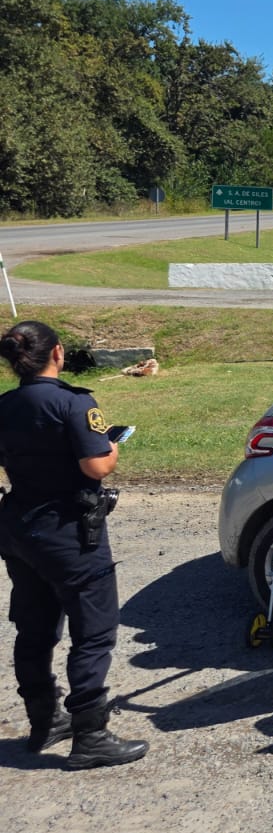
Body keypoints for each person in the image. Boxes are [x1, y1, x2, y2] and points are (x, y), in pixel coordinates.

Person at [0, 321, 147, 768]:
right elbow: (96, 466)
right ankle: (90, 734)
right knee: (94, 632)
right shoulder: (73, 402)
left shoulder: (5, 404)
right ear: (58, 354)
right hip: (69, 533)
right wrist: (112, 448)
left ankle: (44, 719)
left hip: (19, 528)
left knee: (34, 628)